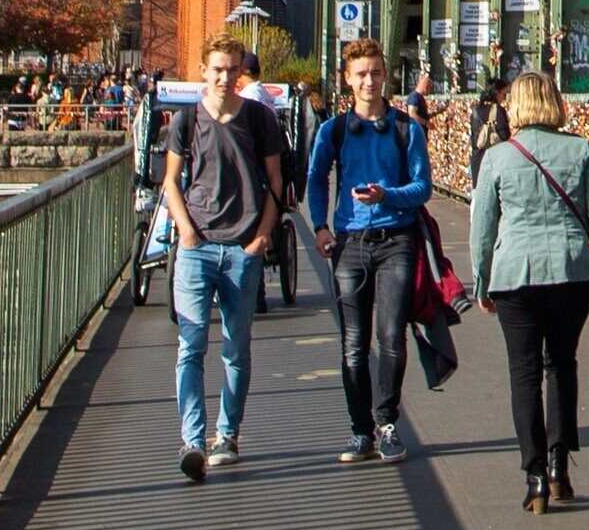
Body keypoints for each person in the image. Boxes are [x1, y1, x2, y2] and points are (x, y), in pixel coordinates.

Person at [469, 70, 589, 513]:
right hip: (572, 273)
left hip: (515, 273)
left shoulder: (498, 156)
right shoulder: (579, 148)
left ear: (516, 104)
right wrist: (570, 229)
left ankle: (533, 476)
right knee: (561, 364)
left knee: (524, 372)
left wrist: (482, 281)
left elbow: (482, 229)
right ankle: (558, 466)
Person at [160, 39, 289, 483]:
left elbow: (277, 180)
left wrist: (262, 236)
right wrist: (187, 232)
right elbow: (171, 182)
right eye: (217, 69)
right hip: (197, 248)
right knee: (190, 345)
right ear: (202, 71)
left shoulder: (259, 119)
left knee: (236, 347)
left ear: (241, 73)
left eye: (232, 69)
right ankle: (192, 441)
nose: (224, 77)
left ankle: (227, 435)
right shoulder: (186, 121)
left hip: (242, 248)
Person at [306, 38, 432, 462]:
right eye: (361, 74)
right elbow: (316, 176)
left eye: (376, 73)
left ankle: (387, 423)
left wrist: (386, 196)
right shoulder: (334, 130)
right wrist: (320, 226)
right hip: (350, 243)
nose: (370, 82)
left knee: (391, 336)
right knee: (353, 343)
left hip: (396, 240)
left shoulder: (405, 128)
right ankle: (360, 429)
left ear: (386, 75)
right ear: (348, 79)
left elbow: (421, 187)